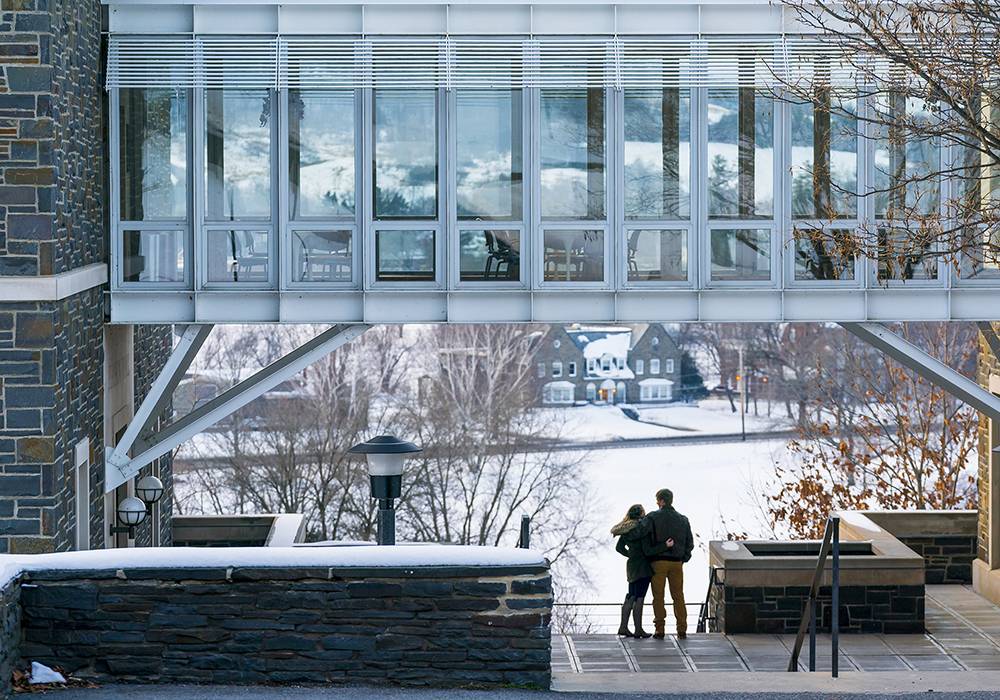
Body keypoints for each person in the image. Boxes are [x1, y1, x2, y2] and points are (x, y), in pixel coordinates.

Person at [642, 488, 694, 639]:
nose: (657, 503)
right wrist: (683, 558)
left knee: (658, 597)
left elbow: (644, 536)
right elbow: (690, 543)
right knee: (678, 596)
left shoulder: (652, 517)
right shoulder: (683, 519)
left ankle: (659, 629)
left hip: (658, 562)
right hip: (677, 563)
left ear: (662, 501)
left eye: (657, 500)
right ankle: (682, 628)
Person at [610, 504, 656, 638]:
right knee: (640, 597)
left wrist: (630, 555)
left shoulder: (626, 530)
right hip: (643, 566)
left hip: (631, 566)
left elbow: (619, 548)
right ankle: (638, 630)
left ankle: (623, 627)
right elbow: (648, 550)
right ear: (642, 513)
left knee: (631, 595)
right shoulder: (642, 529)